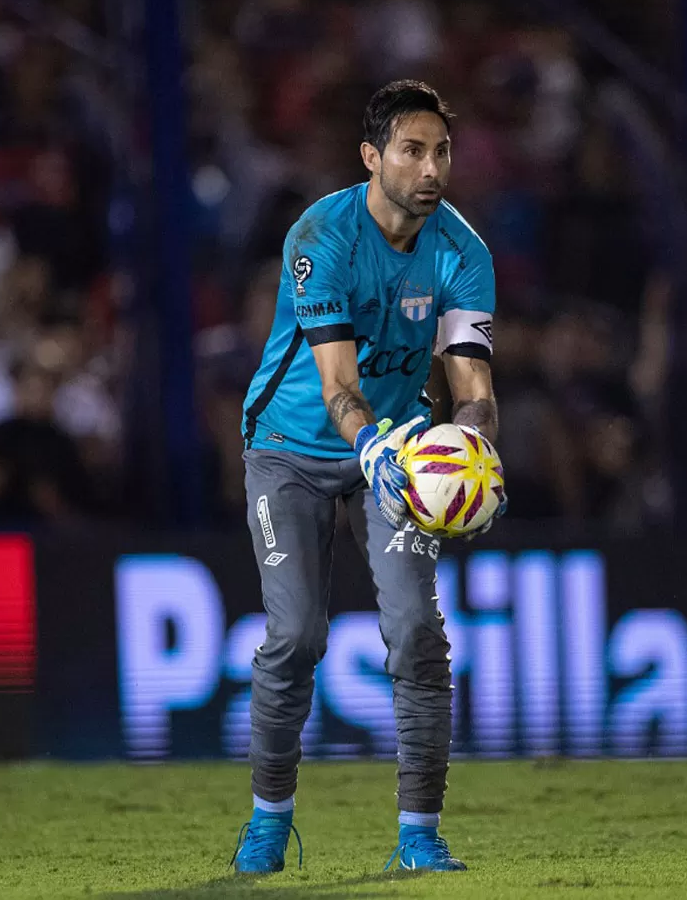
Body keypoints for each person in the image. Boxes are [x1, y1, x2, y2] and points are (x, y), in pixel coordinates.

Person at [231, 80, 503, 875]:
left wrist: (475, 456)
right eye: (412, 150)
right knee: (295, 638)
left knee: (418, 633)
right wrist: (375, 450)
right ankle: (269, 823)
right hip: (288, 448)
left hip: (401, 452)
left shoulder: (464, 252)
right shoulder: (321, 234)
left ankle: (419, 836)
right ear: (371, 156)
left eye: (442, 151)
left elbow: (474, 392)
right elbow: (340, 386)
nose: (430, 168)